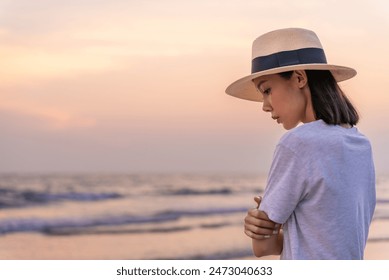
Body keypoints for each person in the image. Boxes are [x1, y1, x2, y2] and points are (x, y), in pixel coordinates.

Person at [225, 28, 376, 259]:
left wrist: (258, 224)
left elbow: (264, 248)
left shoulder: (297, 144)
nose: (265, 105)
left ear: (299, 78)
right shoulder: (361, 145)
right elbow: (329, 238)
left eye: (267, 90)